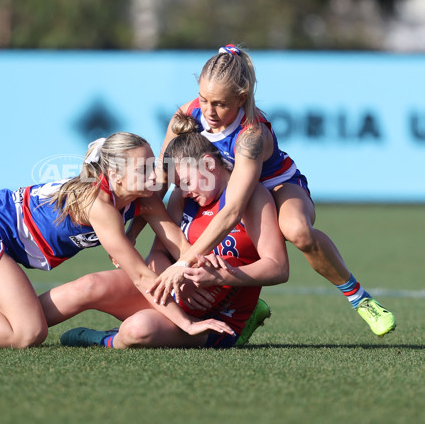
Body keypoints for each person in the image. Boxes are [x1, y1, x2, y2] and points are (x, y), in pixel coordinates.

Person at [0, 132, 230, 348]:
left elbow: (181, 246)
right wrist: (189, 324)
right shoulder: (100, 204)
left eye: (154, 163)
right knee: (27, 332)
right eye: (143, 167)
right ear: (114, 176)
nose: (155, 173)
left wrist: (208, 265)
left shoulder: (143, 196)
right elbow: (143, 278)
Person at [142, 44, 395, 338]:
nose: (209, 112)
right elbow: (162, 174)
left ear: (242, 97)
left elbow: (233, 210)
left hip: (275, 185)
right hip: (225, 185)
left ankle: (359, 298)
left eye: (220, 104)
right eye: (204, 99)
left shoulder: (252, 135)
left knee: (297, 230)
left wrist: (183, 263)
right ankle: (247, 309)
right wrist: (132, 231)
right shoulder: (188, 114)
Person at [45, 121, 289, 349]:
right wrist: (179, 285)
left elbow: (278, 268)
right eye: (177, 185)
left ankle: (103, 339)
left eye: (185, 182)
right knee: (89, 286)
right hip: (173, 298)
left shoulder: (252, 198)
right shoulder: (182, 198)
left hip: (217, 318)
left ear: (208, 164)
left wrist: (221, 276)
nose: (182, 192)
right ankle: (12, 319)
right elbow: (157, 256)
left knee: (137, 330)